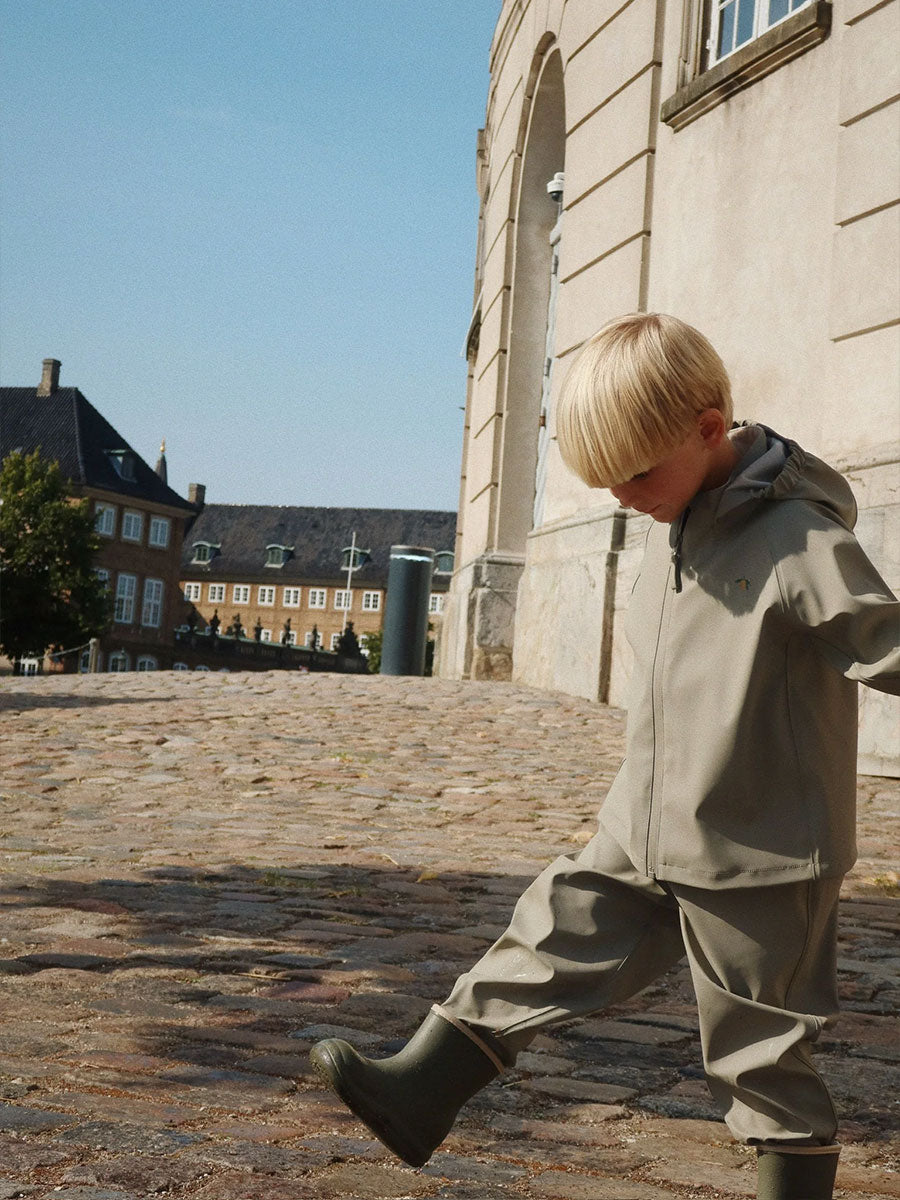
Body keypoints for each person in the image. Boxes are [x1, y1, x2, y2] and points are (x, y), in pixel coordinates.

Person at [310, 313, 899, 1200]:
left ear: (708, 429)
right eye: (606, 479)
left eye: (635, 473)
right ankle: (419, 1091)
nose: (624, 495)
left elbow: (883, 638)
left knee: (760, 1040)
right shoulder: (689, 514)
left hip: (758, 849)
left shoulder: (795, 538)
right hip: (646, 824)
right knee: (550, 932)